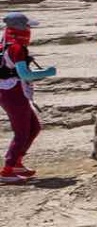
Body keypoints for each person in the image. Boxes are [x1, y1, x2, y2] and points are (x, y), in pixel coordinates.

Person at [1, 12, 57, 184]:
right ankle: (7, 170)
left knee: (34, 127)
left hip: (9, 91)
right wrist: (48, 72)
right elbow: (24, 74)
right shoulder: (16, 47)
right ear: (20, 28)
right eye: (27, 26)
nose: (29, 29)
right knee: (22, 132)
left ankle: (17, 163)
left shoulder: (5, 43)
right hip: (13, 93)